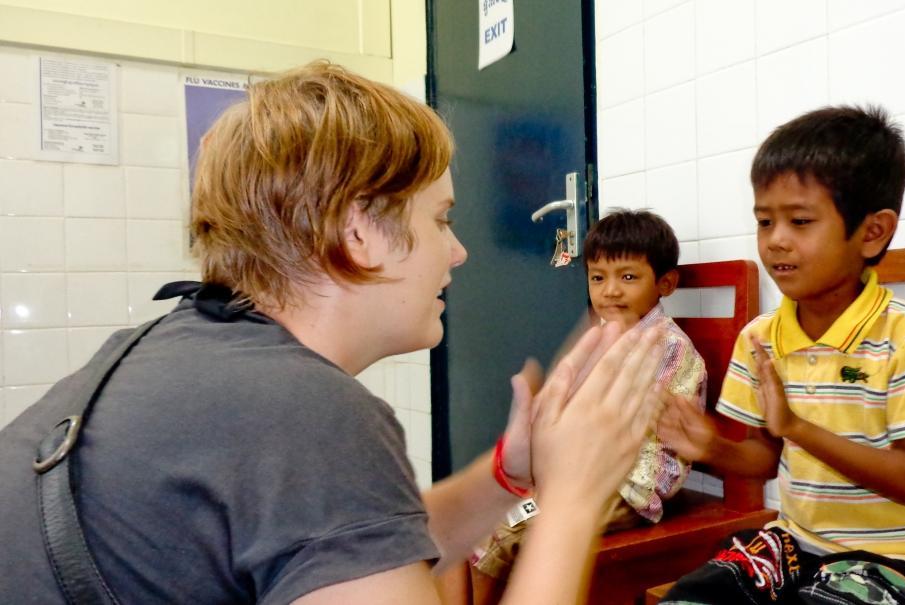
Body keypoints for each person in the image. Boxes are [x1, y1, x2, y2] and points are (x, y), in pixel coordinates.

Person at [0, 61, 668, 605]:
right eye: (441, 219)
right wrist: (576, 497)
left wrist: (508, 475)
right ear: (359, 232)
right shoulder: (304, 413)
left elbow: (349, 550)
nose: (458, 252)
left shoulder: (176, 352)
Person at [657, 106, 905, 605]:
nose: (776, 239)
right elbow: (764, 458)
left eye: (800, 220)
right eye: (765, 221)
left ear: (872, 232)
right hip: (796, 545)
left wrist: (800, 429)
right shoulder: (761, 339)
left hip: (904, 560)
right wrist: (711, 448)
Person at [472, 210, 707, 588]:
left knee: (503, 537)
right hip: (584, 473)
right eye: (598, 278)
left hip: (630, 487)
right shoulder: (602, 338)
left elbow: (624, 433)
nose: (610, 290)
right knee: (474, 523)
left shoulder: (668, 348)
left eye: (628, 277)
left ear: (666, 283)